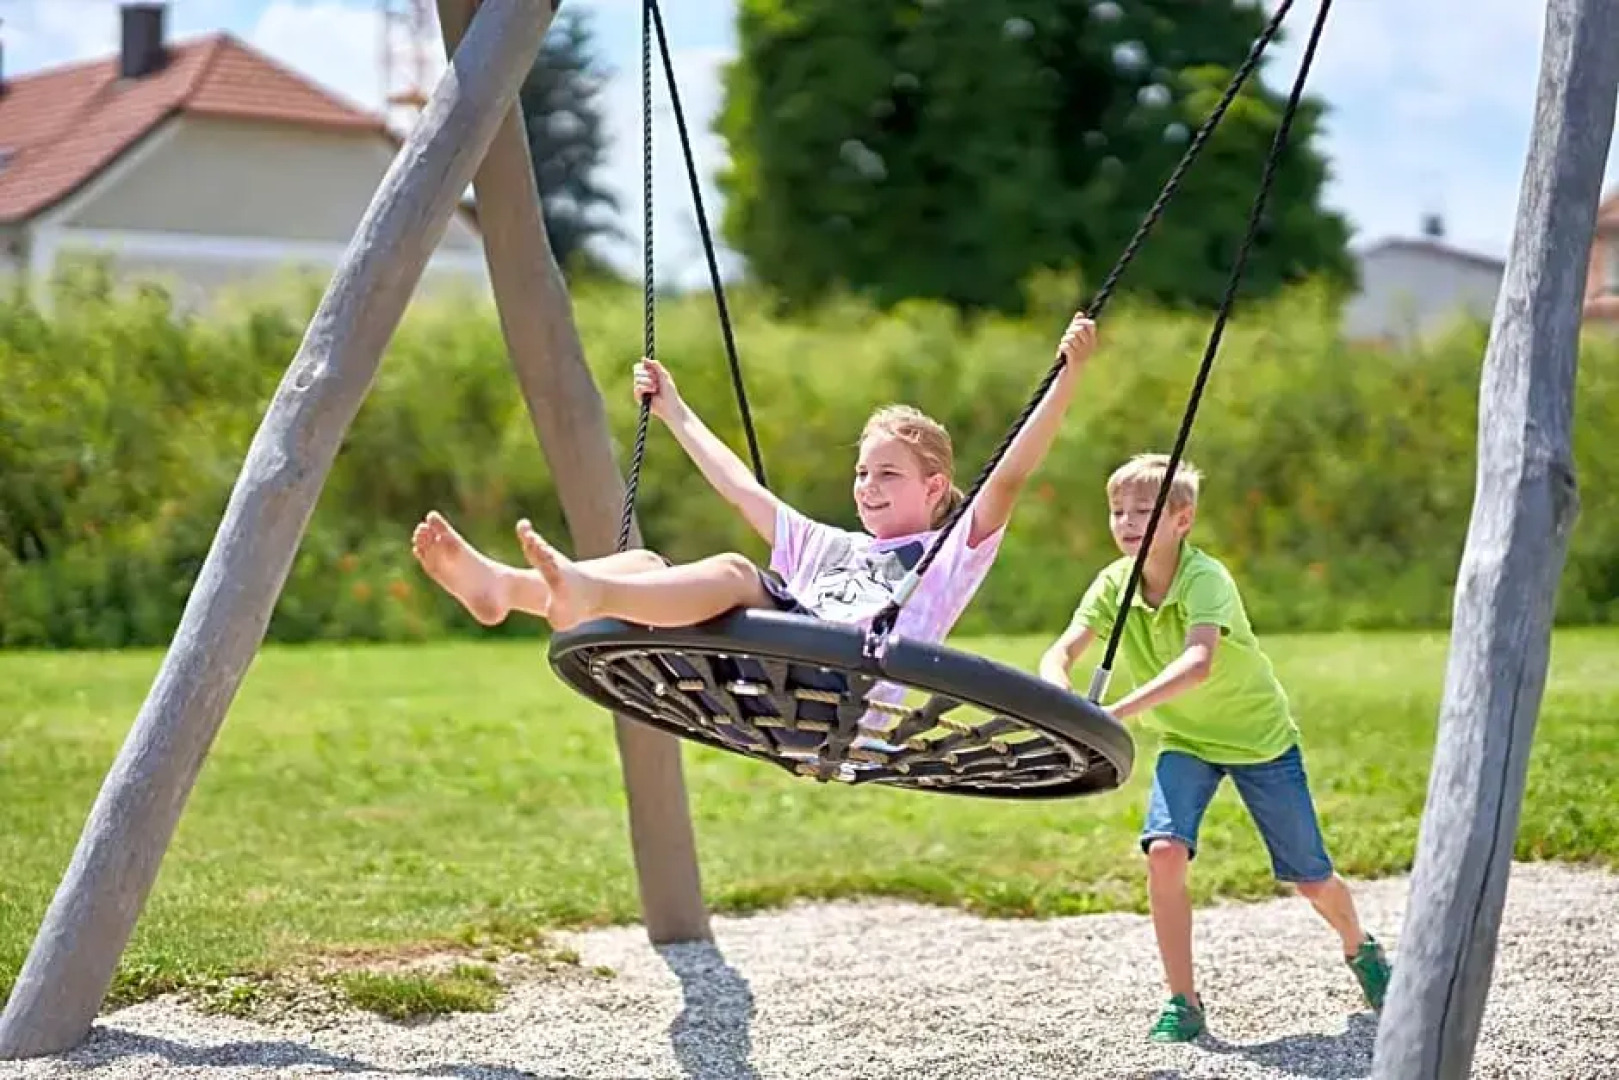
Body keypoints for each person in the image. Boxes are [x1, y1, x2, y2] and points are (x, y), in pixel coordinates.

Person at [411, 313, 1097, 682]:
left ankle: (579, 593)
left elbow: (1009, 474)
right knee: (645, 564)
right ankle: (504, 587)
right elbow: (740, 487)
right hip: (773, 662)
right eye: (861, 473)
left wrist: (1065, 379)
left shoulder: (951, 550)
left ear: (935, 486)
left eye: (887, 475)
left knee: (737, 574)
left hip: (842, 683)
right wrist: (674, 411)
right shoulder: (831, 545)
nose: (867, 487)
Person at [1037, 452, 1392, 1044]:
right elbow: (1060, 652)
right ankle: (1183, 1000)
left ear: (1183, 520)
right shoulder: (1113, 584)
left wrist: (1114, 713)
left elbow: (1198, 663)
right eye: (1117, 511)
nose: (1127, 522)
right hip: (1186, 741)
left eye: (1143, 511)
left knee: (1310, 878)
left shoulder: (1206, 578)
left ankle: (1362, 949)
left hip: (1259, 740)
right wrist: (1061, 691)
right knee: (1165, 852)